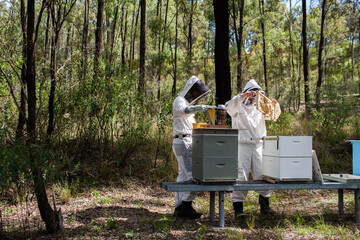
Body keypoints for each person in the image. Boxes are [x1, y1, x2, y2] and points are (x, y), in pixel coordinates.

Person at [225, 79, 281, 217]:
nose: (253, 97)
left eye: (256, 94)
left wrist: (275, 105)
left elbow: (275, 115)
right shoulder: (237, 107)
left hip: (258, 144)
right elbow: (228, 106)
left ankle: (265, 206)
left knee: (263, 174)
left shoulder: (261, 108)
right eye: (252, 94)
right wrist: (241, 97)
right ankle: (238, 209)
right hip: (242, 145)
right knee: (240, 175)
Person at [172, 76, 214, 219]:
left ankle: (178, 207)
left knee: (183, 176)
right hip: (183, 141)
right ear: (189, 89)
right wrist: (196, 108)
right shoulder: (179, 100)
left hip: (185, 140)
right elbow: (183, 110)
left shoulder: (186, 103)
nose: (195, 96)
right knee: (193, 175)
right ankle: (186, 206)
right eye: (195, 92)